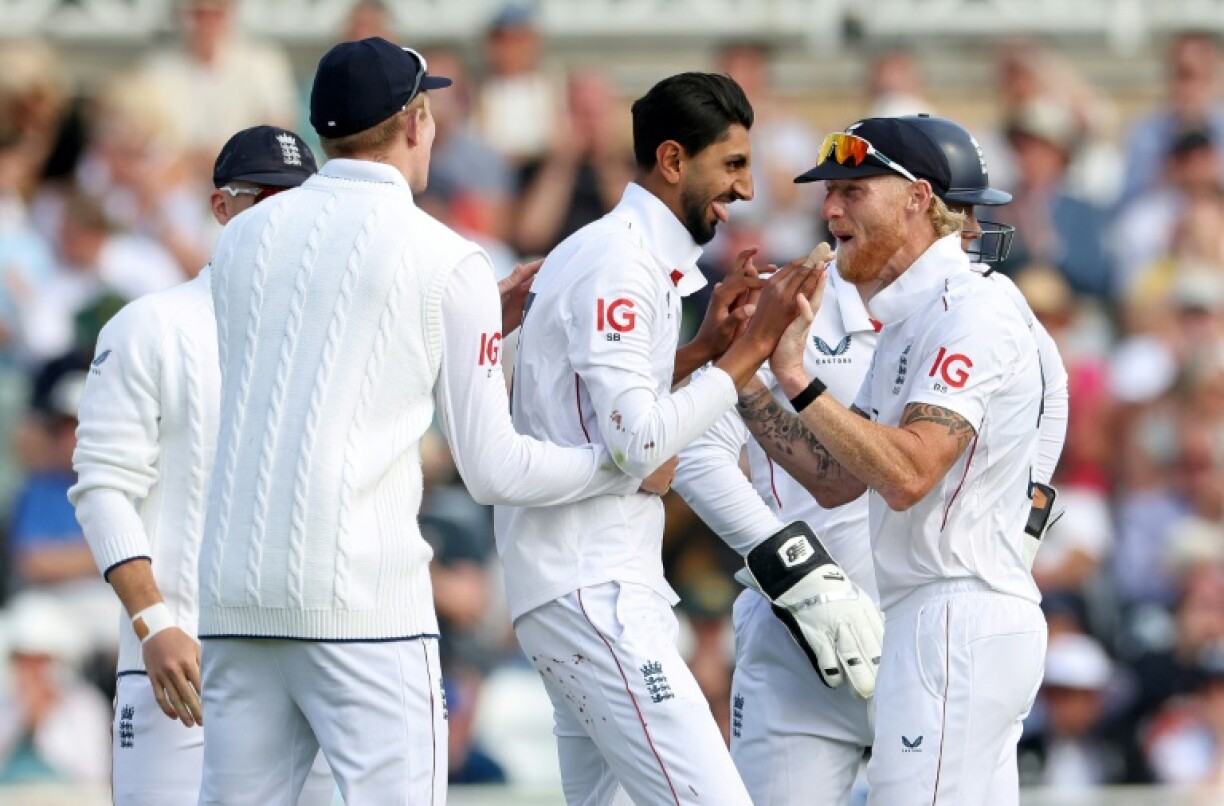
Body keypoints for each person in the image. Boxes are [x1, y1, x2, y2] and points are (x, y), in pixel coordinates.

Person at [196, 37, 668, 804]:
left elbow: (323, 347)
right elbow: (494, 471)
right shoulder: (448, 257)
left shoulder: (240, 237)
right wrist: (618, 461)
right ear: (417, 123)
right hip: (364, 599)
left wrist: (477, 325)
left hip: (233, 594)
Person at [676, 112, 1066, 805]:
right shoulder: (909, 315)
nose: (829, 209)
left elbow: (910, 473)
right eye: (830, 191)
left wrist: (797, 377)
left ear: (919, 199)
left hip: (953, 617)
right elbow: (838, 481)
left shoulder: (974, 309)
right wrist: (746, 371)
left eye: (853, 190)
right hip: (911, 622)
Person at [497, 71, 821, 805]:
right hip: (593, 587)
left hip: (580, 582)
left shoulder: (619, 253)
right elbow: (639, 446)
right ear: (673, 160)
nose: (744, 189)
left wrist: (705, 351)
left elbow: (595, 403)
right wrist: (749, 351)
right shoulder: (621, 261)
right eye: (731, 164)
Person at [68, 125, 335, 805]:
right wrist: (154, 623)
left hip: (319, 661)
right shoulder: (149, 325)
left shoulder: (336, 333)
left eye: (302, 203)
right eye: (266, 200)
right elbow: (102, 486)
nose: (287, 220)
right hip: (186, 660)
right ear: (222, 209)